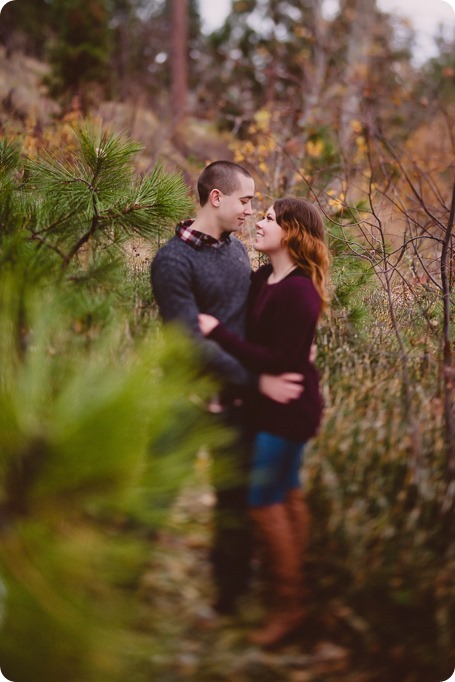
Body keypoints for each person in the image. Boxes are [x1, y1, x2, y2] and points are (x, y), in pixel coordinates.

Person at [150, 161, 304, 615]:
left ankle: (231, 601)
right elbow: (189, 343)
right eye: (246, 200)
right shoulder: (172, 261)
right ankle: (115, 591)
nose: (251, 211)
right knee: (153, 497)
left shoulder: (237, 252)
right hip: (184, 401)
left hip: (235, 404)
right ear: (216, 198)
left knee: (233, 505)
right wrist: (258, 379)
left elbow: (253, 321)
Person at [198, 196, 330, 646]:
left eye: (270, 218)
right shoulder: (265, 279)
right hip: (271, 404)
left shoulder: (298, 290)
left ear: (292, 232)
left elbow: (279, 360)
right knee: (287, 493)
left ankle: (288, 607)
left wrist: (217, 333)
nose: (260, 221)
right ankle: (302, 590)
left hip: (290, 409)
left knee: (263, 500)